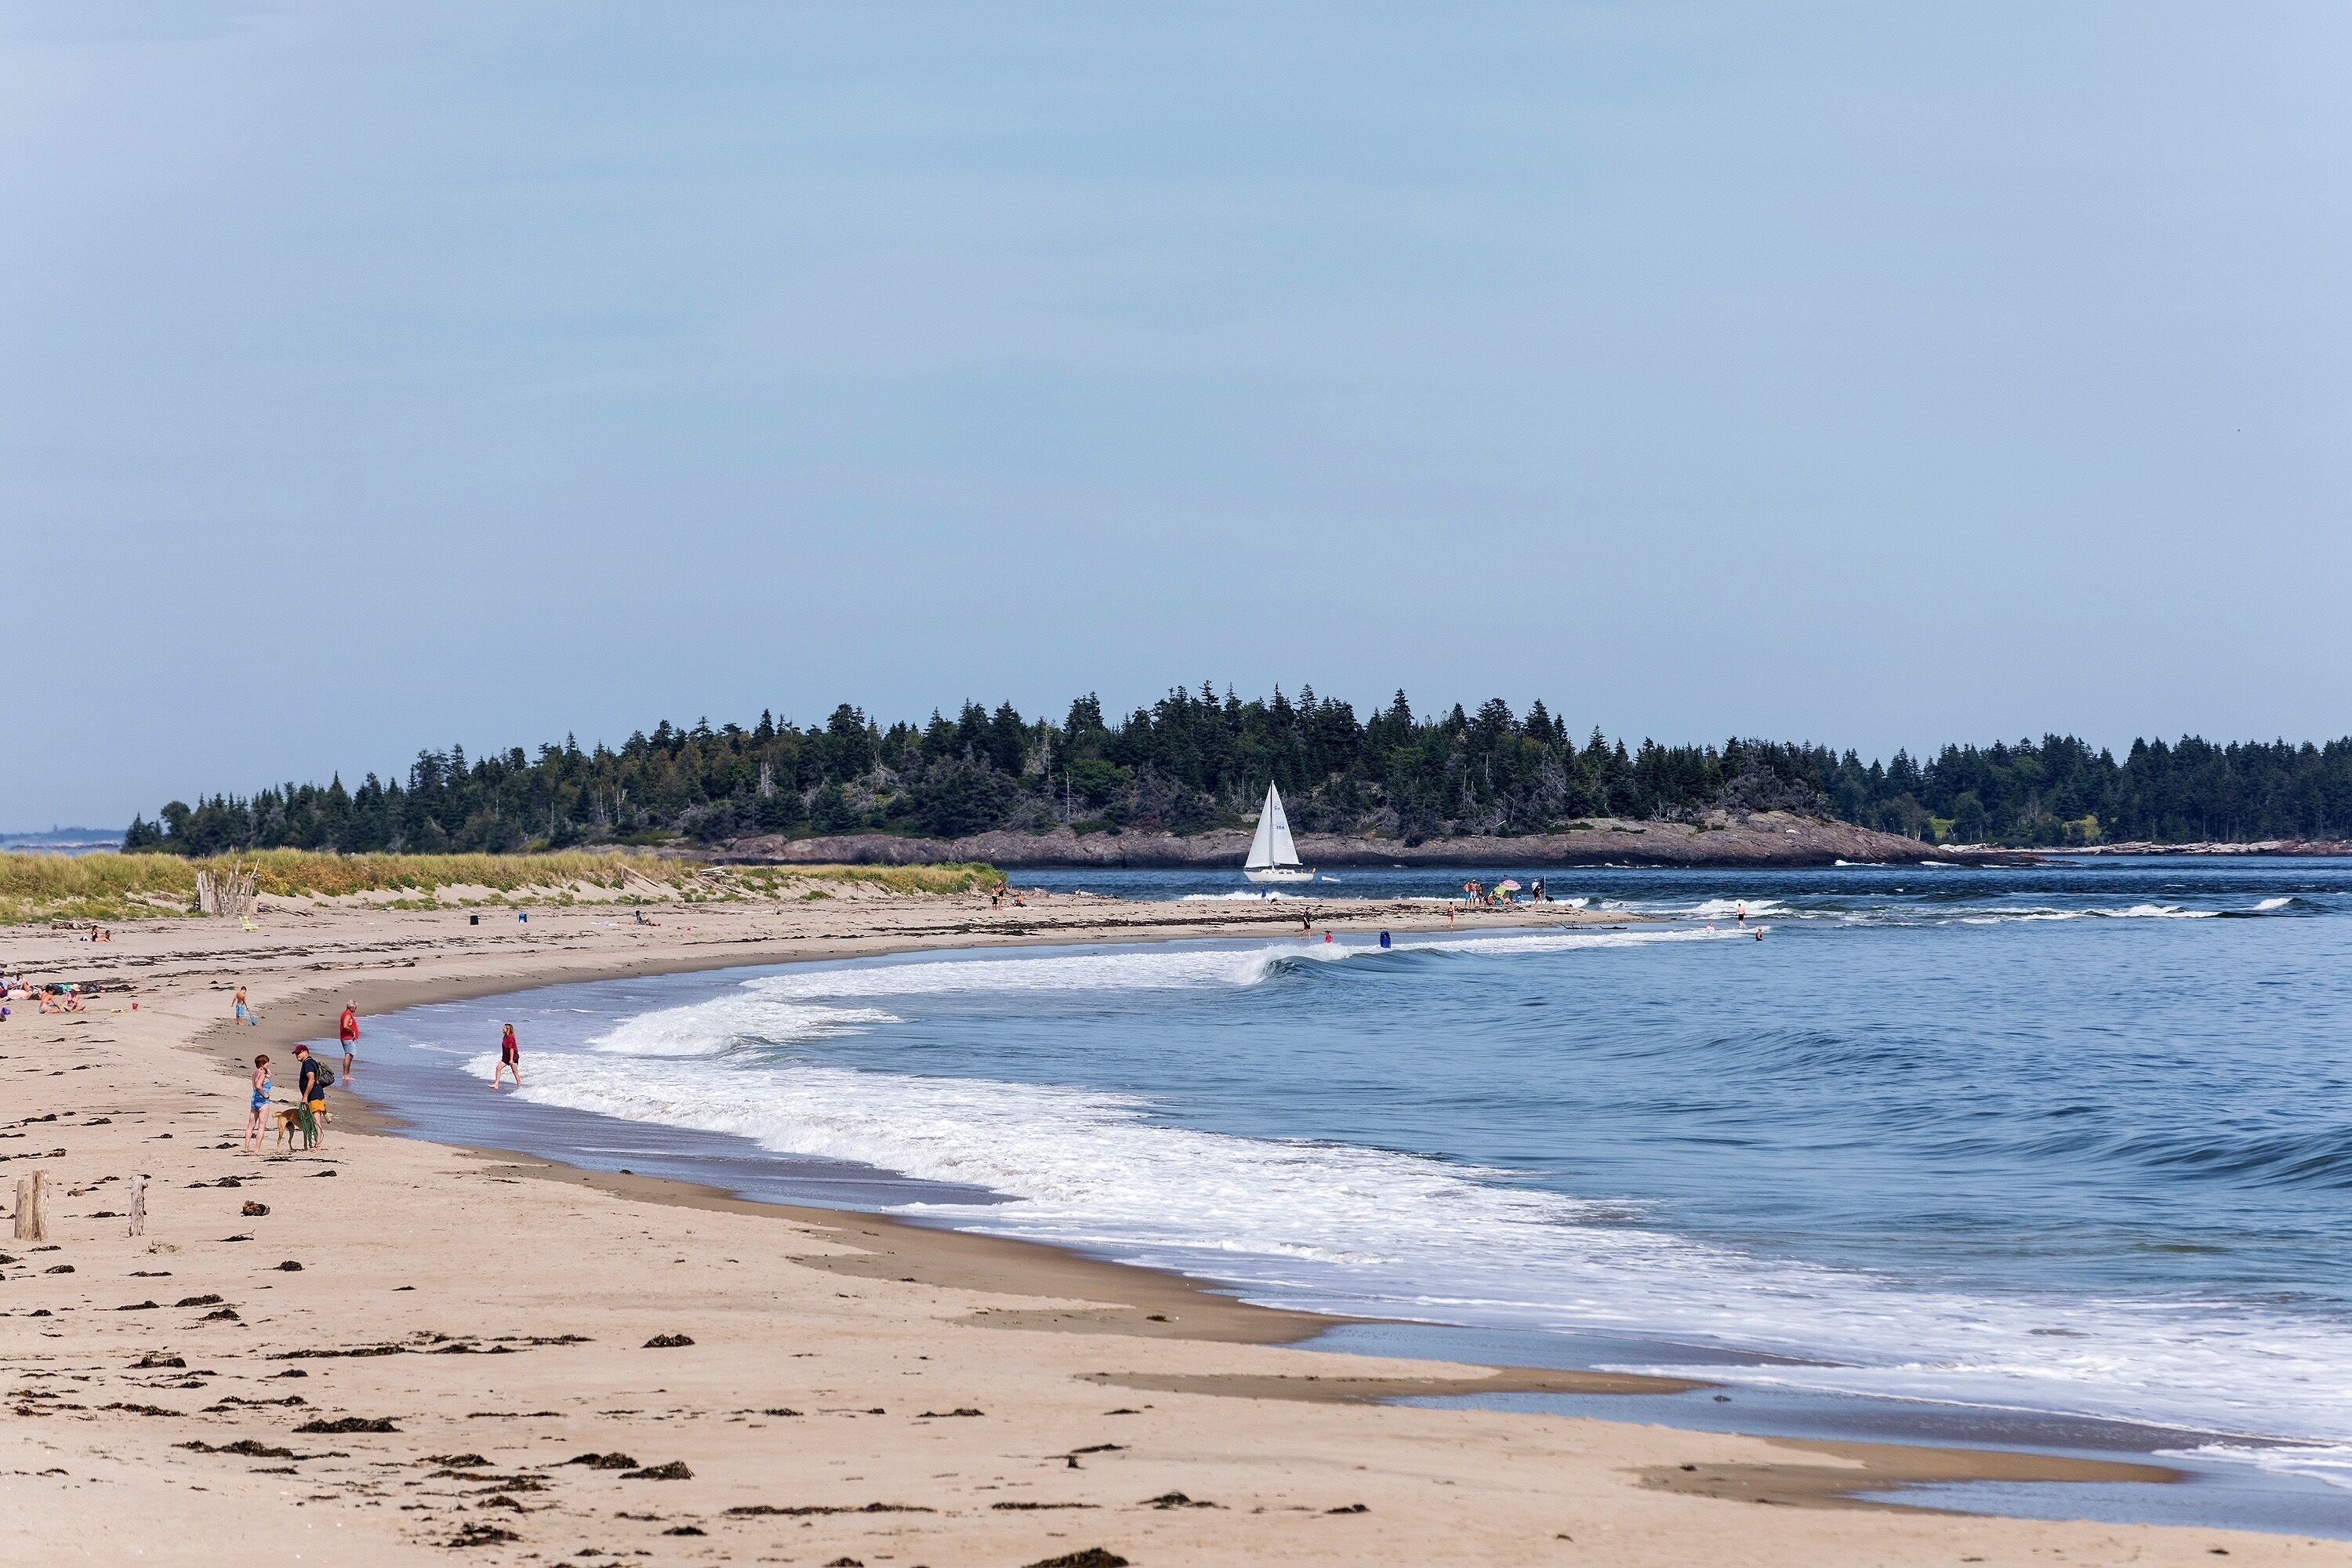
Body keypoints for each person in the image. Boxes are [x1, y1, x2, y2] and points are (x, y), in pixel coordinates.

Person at [292, 1044, 328, 1151]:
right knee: (314, 1120)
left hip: (314, 1095)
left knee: (316, 1120)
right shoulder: (309, 1062)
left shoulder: (308, 1063)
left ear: (306, 1052)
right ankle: (316, 1143)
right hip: (314, 1095)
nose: (297, 1055)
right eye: (296, 1053)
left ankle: (317, 1144)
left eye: (299, 1053)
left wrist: (305, 1096)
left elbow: (311, 1079)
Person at [244, 1055, 273, 1154]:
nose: (268, 1064)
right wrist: (265, 1094)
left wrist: (265, 1068)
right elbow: (258, 1086)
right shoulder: (261, 1075)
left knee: (251, 1125)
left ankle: (246, 1147)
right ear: (261, 1064)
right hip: (263, 1101)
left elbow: (270, 1074)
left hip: (254, 1100)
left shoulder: (255, 1073)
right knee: (261, 1126)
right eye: (267, 1063)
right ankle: (257, 1149)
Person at [491, 1023, 523, 1090]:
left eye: (504, 1028)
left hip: (513, 1057)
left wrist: (511, 1060)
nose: (503, 1029)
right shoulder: (506, 1037)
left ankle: (520, 1086)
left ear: (508, 1029)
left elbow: (512, 1049)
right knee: (498, 1068)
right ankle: (496, 1084)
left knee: (515, 1072)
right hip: (505, 1058)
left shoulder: (511, 1037)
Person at [339, 1003, 361, 1081]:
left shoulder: (347, 1014)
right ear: (351, 1007)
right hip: (348, 1038)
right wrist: (353, 1032)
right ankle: (346, 1074)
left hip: (347, 1038)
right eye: (355, 1007)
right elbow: (345, 1026)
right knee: (348, 1055)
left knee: (350, 1056)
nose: (356, 1009)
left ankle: (347, 1074)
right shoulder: (347, 1015)